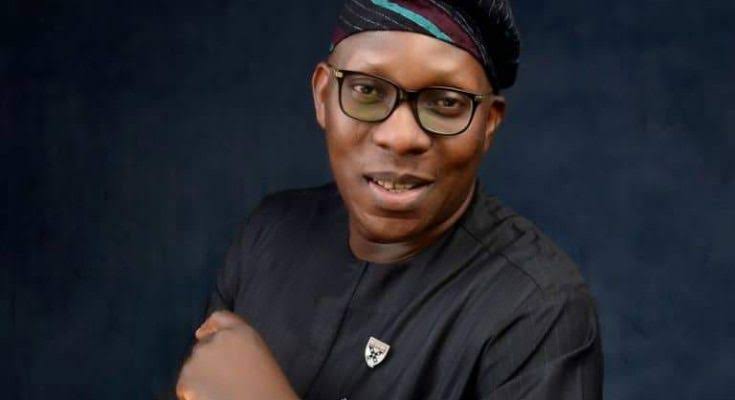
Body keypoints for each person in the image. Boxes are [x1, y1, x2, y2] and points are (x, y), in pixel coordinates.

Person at [172, 1, 603, 399]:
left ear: (487, 124)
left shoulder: (538, 310)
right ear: (323, 96)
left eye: (445, 102)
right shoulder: (269, 234)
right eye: (367, 91)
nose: (400, 137)